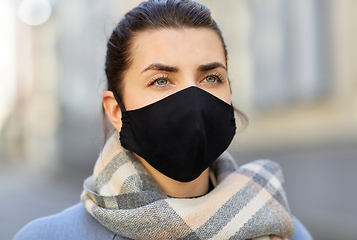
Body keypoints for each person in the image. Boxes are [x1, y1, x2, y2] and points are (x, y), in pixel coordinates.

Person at [14, 0, 312, 239]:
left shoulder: (284, 230)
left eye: (211, 77)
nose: (193, 101)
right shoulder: (47, 236)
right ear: (116, 111)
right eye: (161, 80)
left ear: (229, 92)